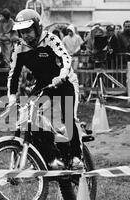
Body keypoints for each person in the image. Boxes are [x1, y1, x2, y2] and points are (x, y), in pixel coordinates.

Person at [7, 9, 83, 170]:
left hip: (64, 81)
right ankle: (51, 157)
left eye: (28, 30)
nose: (25, 35)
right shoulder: (18, 48)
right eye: (22, 32)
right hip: (43, 84)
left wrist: (62, 74)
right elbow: (13, 74)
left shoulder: (50, 39)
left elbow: (65, 57)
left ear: (37, 27)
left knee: (69, 116)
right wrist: (12, 97)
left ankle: (77, 157)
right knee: (29, 118)